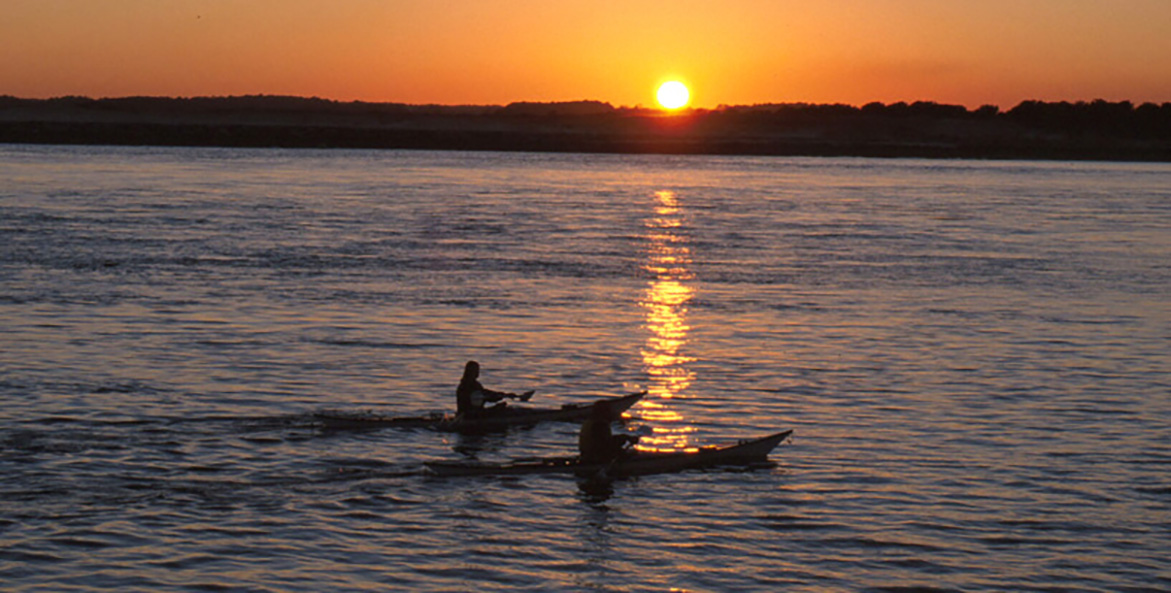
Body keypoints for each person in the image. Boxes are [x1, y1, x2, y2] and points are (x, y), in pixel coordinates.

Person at [455, 361, 533, 419]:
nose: (477, 373)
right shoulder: (469, 386)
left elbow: (487, 394)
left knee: (501, 407)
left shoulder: (469, 385)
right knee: (503, 409)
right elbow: (487, 396)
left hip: (470, 414)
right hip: (474, 416)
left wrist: (505, 395)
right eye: (476, 371)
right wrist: (502, 396)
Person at [579, 400, 639, 464]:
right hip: (596, 458)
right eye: (608, 410)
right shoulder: (600, 424)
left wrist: (626, 437)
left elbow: (603, 440)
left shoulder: (589, 421)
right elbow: (605, 444)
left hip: (586, 456)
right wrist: (624, 438)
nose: (610, 412)